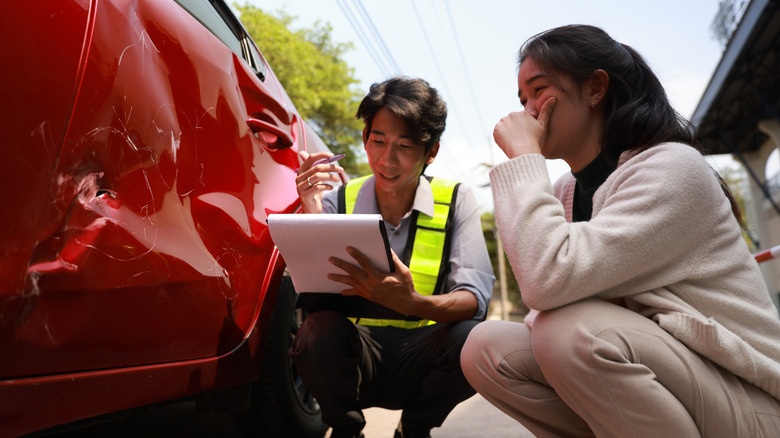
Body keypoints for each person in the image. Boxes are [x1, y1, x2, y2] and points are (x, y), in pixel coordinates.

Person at [460, 24, 780, 437]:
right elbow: (541, 300)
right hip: (675, 391)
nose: (528, 112)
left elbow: (547, 279)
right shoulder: (564, 191)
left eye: (539, 91)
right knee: (486, 348)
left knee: (570, 333)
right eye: (522, 99)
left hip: (749, 401)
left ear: (595, 88)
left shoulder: (671, 167)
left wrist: (523, 159)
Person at [290, 76, 495, 438]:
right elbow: (313, 295)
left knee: (477, 340)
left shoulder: (456, 200)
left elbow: (473, 300)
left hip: (421, 359)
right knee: (316, 331)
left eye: (405, 145)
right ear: (365, 137)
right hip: (355, 359)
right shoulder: (338, 200)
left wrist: (412, 302)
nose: (387, 160)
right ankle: (346, 429)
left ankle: (414, 429)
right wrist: (312, 212)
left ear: (431, 152)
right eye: (378, 140)